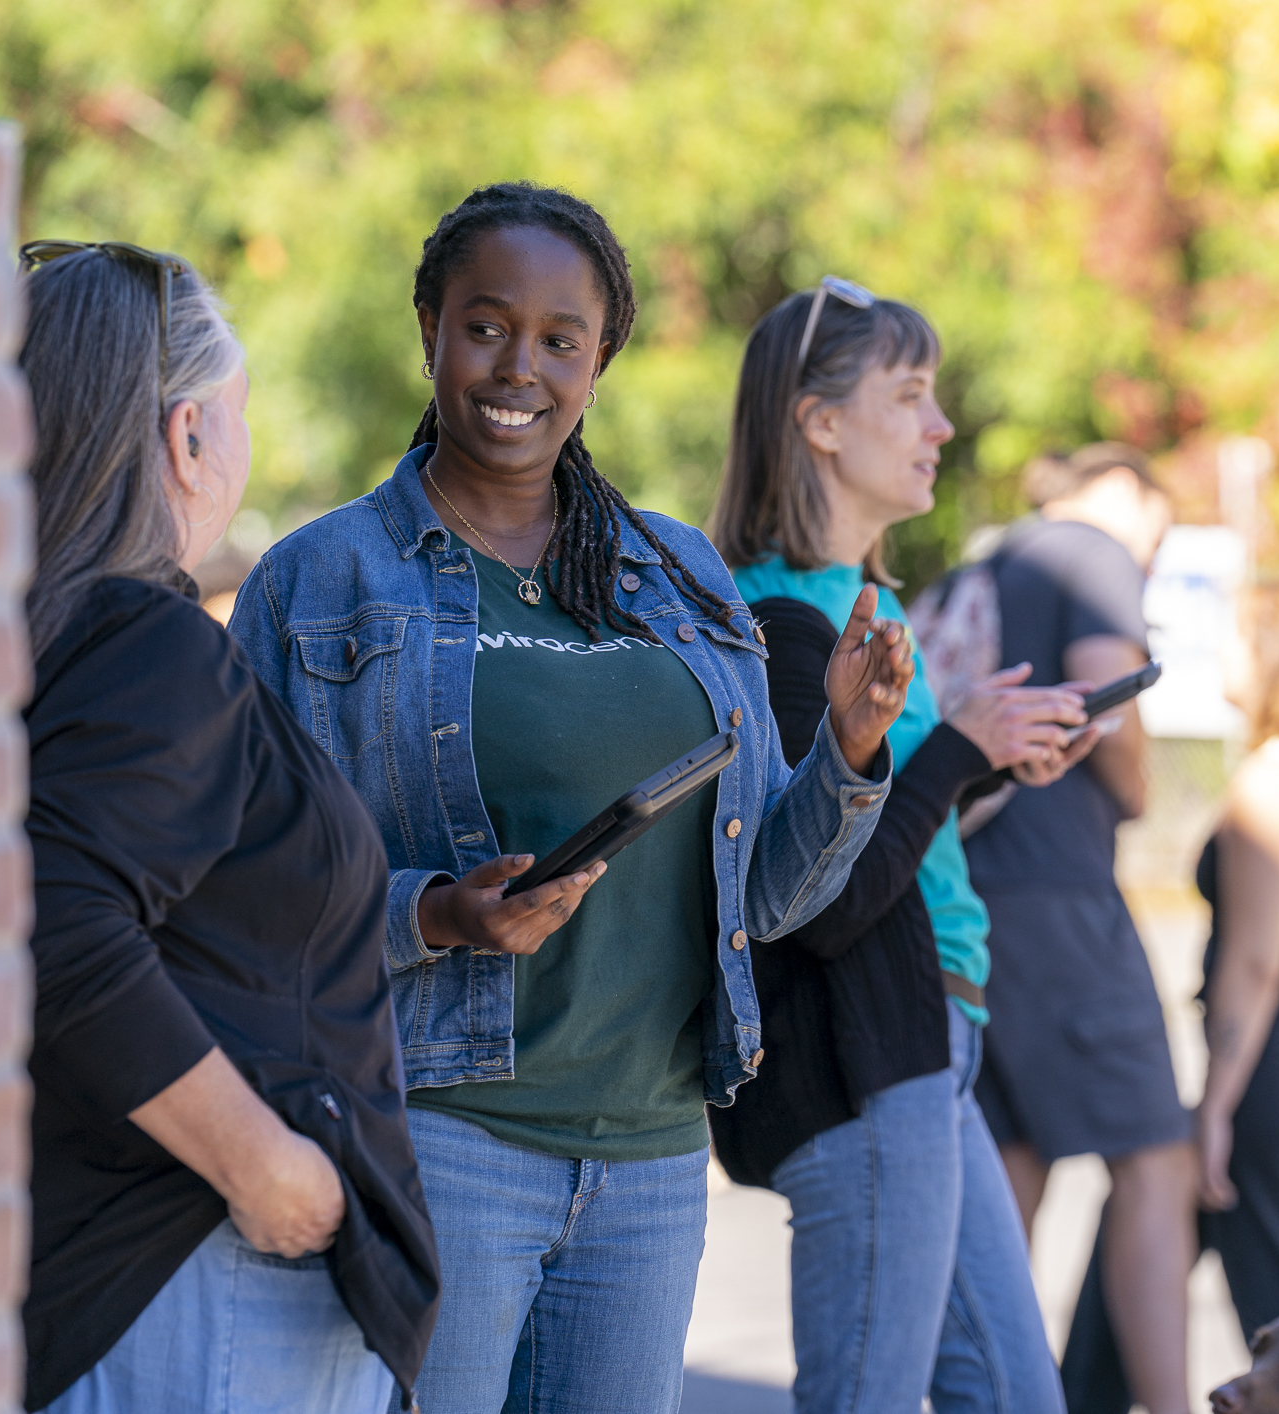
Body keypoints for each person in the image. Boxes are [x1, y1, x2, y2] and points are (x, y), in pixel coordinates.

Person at [230, 185, 910, 1414]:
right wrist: (436, 914)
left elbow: (765, 896)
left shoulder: (680, 574)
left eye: (560, 339)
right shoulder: (321, 580)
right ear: (431, 329)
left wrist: (850, 755)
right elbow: (239, 887)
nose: (519, 368)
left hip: (651, 1157)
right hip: (437, 1135)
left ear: (600, 361)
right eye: (486, 327)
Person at [17, 242, 438, 1414]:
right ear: (189, 436)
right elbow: (54, 923)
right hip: (195, 1274)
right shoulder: (151, 648)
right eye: (240, 412)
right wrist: (267, 1167)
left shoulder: (43, 646)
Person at [707, 277, 1098, 1411]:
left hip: (927, 1046)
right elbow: (821, 902)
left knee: (1017, 1398)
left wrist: (986, 763)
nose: (942, 425)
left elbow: (887, 836)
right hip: (863, 1062)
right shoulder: (780, 627)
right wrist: (956, 747)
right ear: (821, 422)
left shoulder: (859, 601)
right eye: (910, 394)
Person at [1062, 572, 1279, 1414]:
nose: (1221, 653)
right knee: (1139, 1235)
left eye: (1237, 637)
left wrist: (1215, 1111)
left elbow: (1254, 963)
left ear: (1272, 656)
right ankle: (1080, 1394)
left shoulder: (1267, 789)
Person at [961, 443, 1193, 1414]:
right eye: (1160, 535)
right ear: (1127, 491)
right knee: (1157, 1159)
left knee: (1014, 1167)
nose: (1151, 558)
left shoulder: (987, 560)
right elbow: (1113, 704)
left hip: (970, 896)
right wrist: (1136, 794)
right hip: (1060, 894)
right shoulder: (1091, 551)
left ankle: (994, 1397)